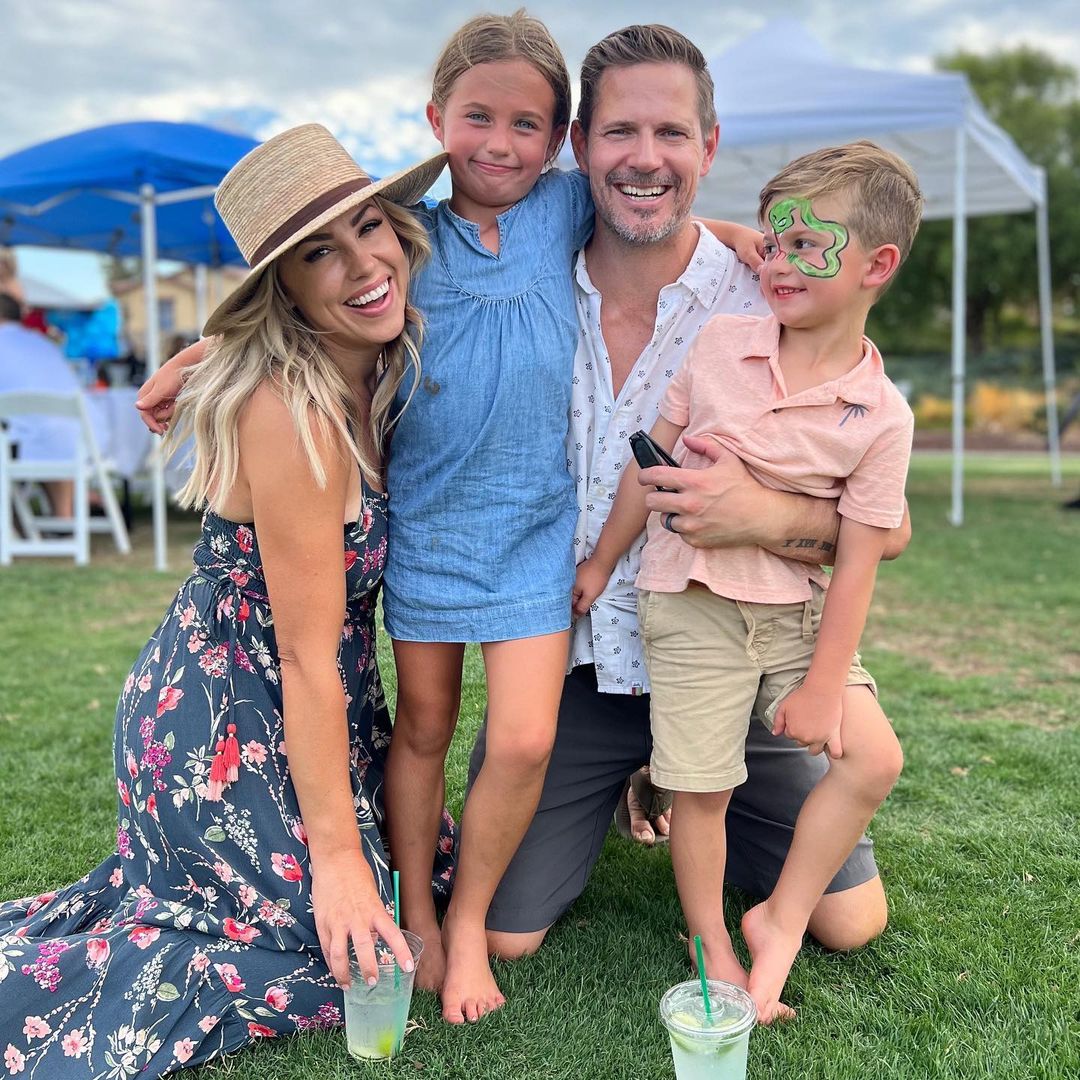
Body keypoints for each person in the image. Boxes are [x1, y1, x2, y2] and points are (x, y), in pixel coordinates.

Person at [135, 11, 761, 1025]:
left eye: (528, 123)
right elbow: (320, 298)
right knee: (423, 729)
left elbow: (701, 235)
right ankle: (418, 911)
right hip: (429, 527)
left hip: (534, 535)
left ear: (559, 139)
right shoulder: (407, 232)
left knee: (519, 739)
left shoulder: (566, 209)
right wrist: (203, 354)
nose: (501, 144)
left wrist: (752, 238)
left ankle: (468, 921)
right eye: (478, 118)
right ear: (436, 119)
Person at [0, 124, 455, 1076]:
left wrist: (739, 243)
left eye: (370, 227)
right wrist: (334, 859)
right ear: (285, 289)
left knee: (420, 885)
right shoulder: (293, 414)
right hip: (223, 715)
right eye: (316, 254)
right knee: (338, 957)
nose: (363, 263)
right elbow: (302, 654)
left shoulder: (381, 355)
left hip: (311, 701)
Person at [468, 24, 912, 990]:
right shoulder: (520, 271)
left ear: (709, 148)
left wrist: (759, 516)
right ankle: (634, 771)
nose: (644, 158)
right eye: (620, 132)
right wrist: (223, 343)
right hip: (583, 661)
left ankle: (692, 796)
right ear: (582, 145)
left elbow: (888, 524)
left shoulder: (773, 291)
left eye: (672, 132)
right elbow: (372, 271)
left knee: (851, 921)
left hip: (743, 643)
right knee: (506, 937)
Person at [574, 140, 920, 1023]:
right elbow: (644, 469)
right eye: (774, 241)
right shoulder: (723, 343)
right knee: (705, 787)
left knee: (873, 755)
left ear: (877, 265)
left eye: (810, 247)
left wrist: (818, 684)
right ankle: (709, 939)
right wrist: (602, 561)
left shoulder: (881, 415)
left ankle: (780, 916)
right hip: (690, 602)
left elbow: (860, 558)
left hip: (798, 618)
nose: (781, 261)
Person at [0, 290, 82, 518]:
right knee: (41, 432)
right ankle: (63, 517)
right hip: (79, 441)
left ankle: (16, 524)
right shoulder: (41, 343)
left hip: (24, 444)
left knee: (25, 433)